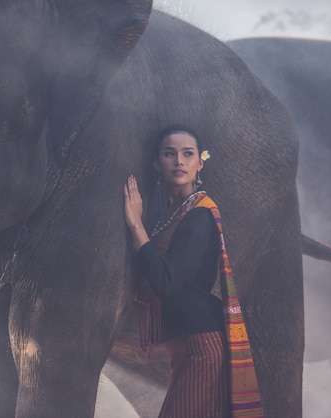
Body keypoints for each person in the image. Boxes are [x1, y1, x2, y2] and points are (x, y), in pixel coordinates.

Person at [123, 125, 264, 418]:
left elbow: (167, 282)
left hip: (202, 347)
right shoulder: (175, 213)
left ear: (200, 163)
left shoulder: (200, 214)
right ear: (155, 163)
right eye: (169, 154)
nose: (179, 161)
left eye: (188, 154)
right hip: (187, 346)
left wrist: (136, 226)